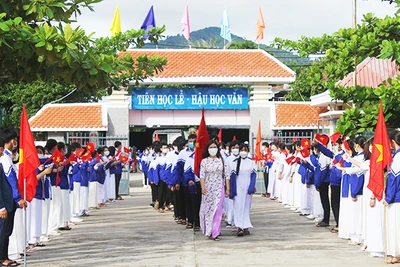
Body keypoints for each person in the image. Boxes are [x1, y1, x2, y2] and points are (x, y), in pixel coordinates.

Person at [199, 140, 229, 241]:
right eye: (211, 147)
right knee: (208, 210)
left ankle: (215, 232)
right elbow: (202, 176)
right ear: (207, 149)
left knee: (218, 210)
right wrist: (203, 188)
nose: (213, 149)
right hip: (207, 189)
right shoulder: (204, 161)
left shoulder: (221, 160)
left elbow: (226, 175)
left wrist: (227, 188)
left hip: (219, 188)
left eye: (214, 147)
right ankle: (209, 231)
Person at [229, 143, 256, 237]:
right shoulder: (235, 162)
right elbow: (232, 177)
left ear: (248, 151)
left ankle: (246, 226)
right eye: (241, 150)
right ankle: (239, 226)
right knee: (238, 206)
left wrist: (252, 187)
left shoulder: (251, 162)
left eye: (245, 150)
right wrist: (232, 191)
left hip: (247, 187)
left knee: (246, 207)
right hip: (238, 187)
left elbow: (253, 176)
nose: (243, 152)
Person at [0, 136, 19, 267]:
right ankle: (1, 258)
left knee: (6, 232)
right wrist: (1, 207)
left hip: (7, 202)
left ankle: (4, 256)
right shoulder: (3, 160)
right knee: (2, 232)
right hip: (3, 204)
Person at [383, 131, 400, 264]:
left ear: (393, 142)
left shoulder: (397, 159)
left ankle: (396, 254)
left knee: (395, 226)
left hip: (397, 199)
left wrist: (388, 198)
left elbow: (394, 181)